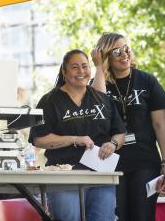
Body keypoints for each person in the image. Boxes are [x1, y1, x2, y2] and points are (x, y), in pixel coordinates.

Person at [29, 49, 126, 221]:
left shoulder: (102, 99)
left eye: (84, 66)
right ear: (64, 72)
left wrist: (112, 144)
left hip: (101, 175)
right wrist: (74, 139)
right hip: (65, 178)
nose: (81, 72)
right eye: (75, 67)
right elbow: (39, 139)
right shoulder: (50, 101)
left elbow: (119, 134)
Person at [91, 32, 165, 221]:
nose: (125, 54)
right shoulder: (100, 83)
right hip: (111, 163)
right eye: (117, 52)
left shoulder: (147, 81)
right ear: (106, 56)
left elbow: (160, 123)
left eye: (127, 48)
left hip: (146, 162)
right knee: (117, 217)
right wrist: (98, 67)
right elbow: (99, 106)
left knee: (142, 217)